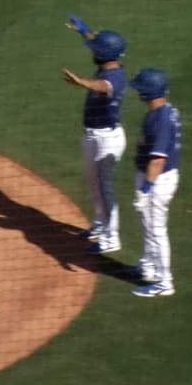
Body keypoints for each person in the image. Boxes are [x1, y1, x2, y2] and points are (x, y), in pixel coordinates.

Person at [61, 15, 127, 254]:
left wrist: (81, 82)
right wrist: (85, 31)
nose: (92, 52)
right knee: (93, 184)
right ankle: (99, 226)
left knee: (104, 187)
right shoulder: (107, 63)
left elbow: (103, 87)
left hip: (106, 141)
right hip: (94, 137)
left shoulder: (116, 78)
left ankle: (111, 239)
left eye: (95, 49)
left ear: (103, 55)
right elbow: (100, 45)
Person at [128, 68, 181, 297]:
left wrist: (146, 189)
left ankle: (163, 283)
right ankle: (147, 266)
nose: (137, 91)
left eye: (140, 88)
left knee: (155, 230)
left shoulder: (160, 119)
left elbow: (158, 159)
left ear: (148, 92)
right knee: (148, 226)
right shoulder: (164, 110)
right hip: (158, 178)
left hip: (157, 180)